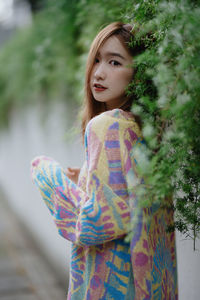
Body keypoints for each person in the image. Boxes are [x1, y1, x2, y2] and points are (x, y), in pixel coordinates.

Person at [31, 22, 178, 300]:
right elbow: (127, 205)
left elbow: (93, 223)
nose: (98, 72)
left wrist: (46, 174)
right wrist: (86, 179)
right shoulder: (146, 133)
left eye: (114, 62)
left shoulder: (107, 125)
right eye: (96, 60)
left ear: (139, 73)